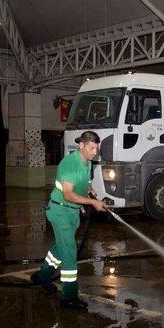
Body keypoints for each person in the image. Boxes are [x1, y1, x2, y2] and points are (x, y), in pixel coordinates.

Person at [30, 131, 107, 310]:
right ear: (81, 146)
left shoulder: (87, 161)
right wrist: (92, 202)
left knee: (60, 247)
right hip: (60, 210)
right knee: (70, 252)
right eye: (91, 148)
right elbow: (68, 193)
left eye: (97, 147)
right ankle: (68, 296)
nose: (95, 151)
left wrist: (89, 190)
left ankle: (42, 276)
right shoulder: (70, 164)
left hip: (72, 212)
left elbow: (82, 182)